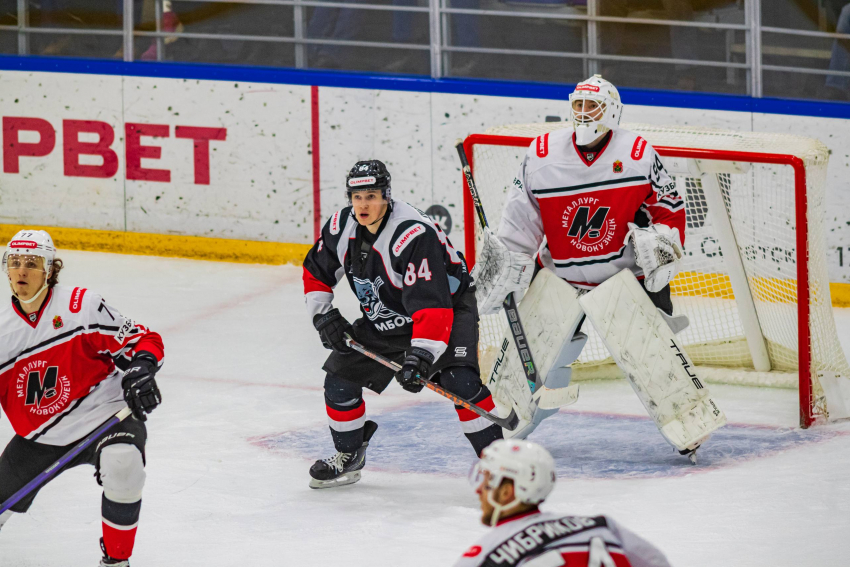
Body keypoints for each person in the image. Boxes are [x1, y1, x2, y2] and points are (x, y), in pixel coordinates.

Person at [475, 74, 725, 460]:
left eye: (592, 106)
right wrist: (510, 261)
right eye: (578, 105)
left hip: (624, 277)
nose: (584, 113)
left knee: (651, 354)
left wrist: (659, 243)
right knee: (528, 359)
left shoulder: (639, 153)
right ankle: (507, 420)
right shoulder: (542, 154)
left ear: (612, 111)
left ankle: (688, 422)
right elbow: (521, 216)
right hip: (561, 274)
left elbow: (669, 207)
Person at [302, 159, 503, 488]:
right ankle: (349, 455)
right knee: (339, 381)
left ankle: (502, 466)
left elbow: (433, 306)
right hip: (390, 313)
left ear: (386, 195)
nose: (363, 204)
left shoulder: (412, 235)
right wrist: (322, 315)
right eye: (357, 196)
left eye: (371, 195)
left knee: (459, 383)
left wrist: (420, 357)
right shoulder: (341, 227)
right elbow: (315, 272)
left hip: (447, 308)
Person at [0, 230, 164, 567]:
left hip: (105, 416)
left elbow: (143, 339)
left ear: (51, 270)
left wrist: (141, 369)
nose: (21, 272)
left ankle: (117, 561)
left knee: (124, 465)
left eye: (32, 263)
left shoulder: (81, 306)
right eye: (14, 262)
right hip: (38, 436)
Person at [455, 439, 672, 567]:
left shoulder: (486, 555)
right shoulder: (600, 525)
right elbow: (656, 562)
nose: (478, 490)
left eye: (485, 482)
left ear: (506, 492)